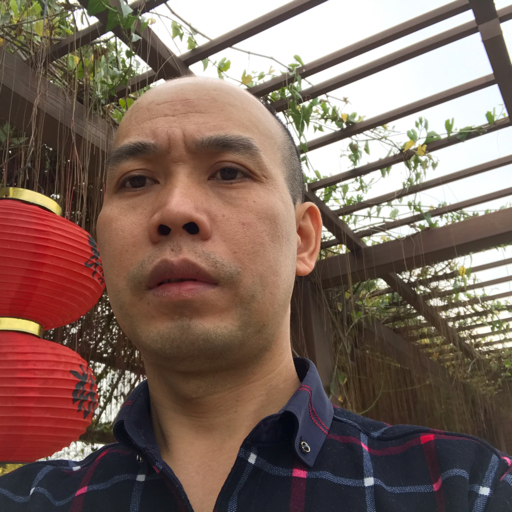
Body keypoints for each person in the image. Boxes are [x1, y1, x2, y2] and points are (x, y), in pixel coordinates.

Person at [0, 77, 511, 512]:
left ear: (303, 239)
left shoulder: (463, 488)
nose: (174, 210)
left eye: (229, 172)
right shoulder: (28, 498)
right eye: (136, 181)